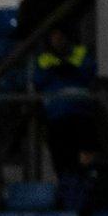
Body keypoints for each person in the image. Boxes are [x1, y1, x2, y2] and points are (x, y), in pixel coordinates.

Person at [32, 28, 97, 178]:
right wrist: (55, 71)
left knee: (85, 161)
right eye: (54, 37)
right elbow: (38, 80)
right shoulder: (44, 58)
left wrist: (70, 69)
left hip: (81, 113)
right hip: (57, 116)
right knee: (62, 161)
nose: (57, 40)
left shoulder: (80, 53)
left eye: (60, 36)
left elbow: (90, 71)